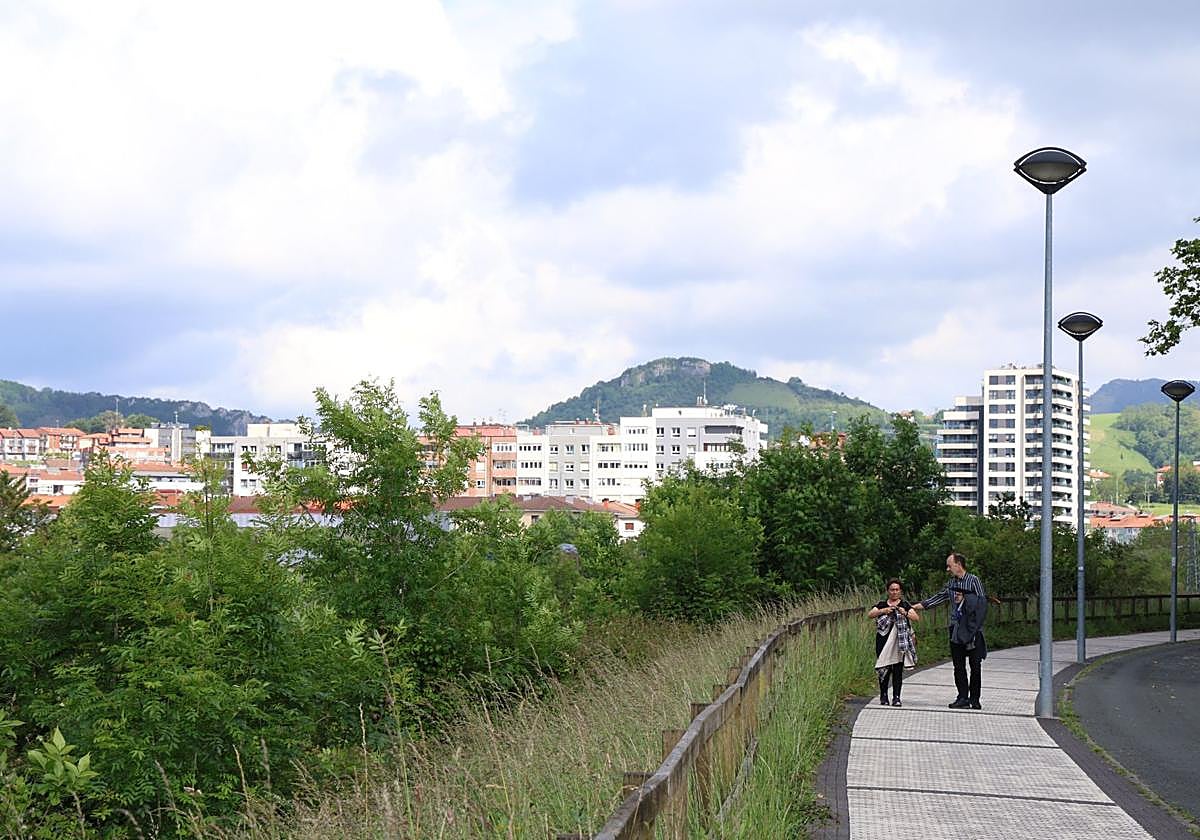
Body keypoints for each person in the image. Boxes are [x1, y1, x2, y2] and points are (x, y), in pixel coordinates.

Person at [912, 552, 987, 709]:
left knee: (975, 665)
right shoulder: (951, 584)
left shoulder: (974, 581)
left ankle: (975, 699)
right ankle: (962, 697)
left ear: (958, 564)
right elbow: (937, 598)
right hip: (956, 628)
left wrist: (966, 601)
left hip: (972, 630)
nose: (947, 569)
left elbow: (981, 604)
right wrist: (914, 607)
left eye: (949, 565)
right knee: (958, 665)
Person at [867, 579, 919, 706]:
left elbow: (916, 617)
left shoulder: (905, 604)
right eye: (892, 589)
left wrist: (904, 613)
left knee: (897, 670)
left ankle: (896, 697)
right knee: (883, 668)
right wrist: (883, 611)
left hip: (899, 642)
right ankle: (883, 695)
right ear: (888, 591)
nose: (894, 592)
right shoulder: (882, 604)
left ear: (900, 591)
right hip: (883, 640)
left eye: (897, 589)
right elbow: (870, 614)